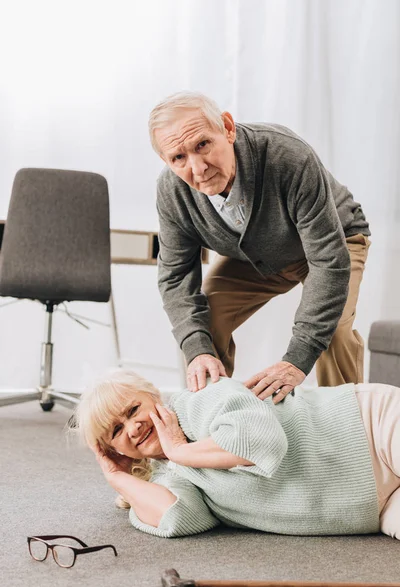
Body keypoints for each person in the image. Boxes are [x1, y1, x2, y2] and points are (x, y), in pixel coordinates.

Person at [148, 92, 371, 401]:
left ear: (227, 128)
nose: (198, 168)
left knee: (332, 331)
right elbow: (175, 277)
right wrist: (197, 350)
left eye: (202, 145)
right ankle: (215, 423)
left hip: (334, 242)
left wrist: (296, 361)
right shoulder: (172, 192)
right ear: (166, 161)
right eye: (179, 158)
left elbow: (327, 261)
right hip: (253, 255)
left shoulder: (287, 156)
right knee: (200, 328)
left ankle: (349, 429)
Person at [75, 369, 400, 540]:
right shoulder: (166, 475)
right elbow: (178, 518)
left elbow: (260, 441)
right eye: (116, 431)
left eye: (134, 410)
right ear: (112, 449)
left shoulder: (199, 400)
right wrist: (116, 476)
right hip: (374, 506)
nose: (132, 428)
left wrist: (180, 450)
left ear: (153, 396)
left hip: (370, 426)